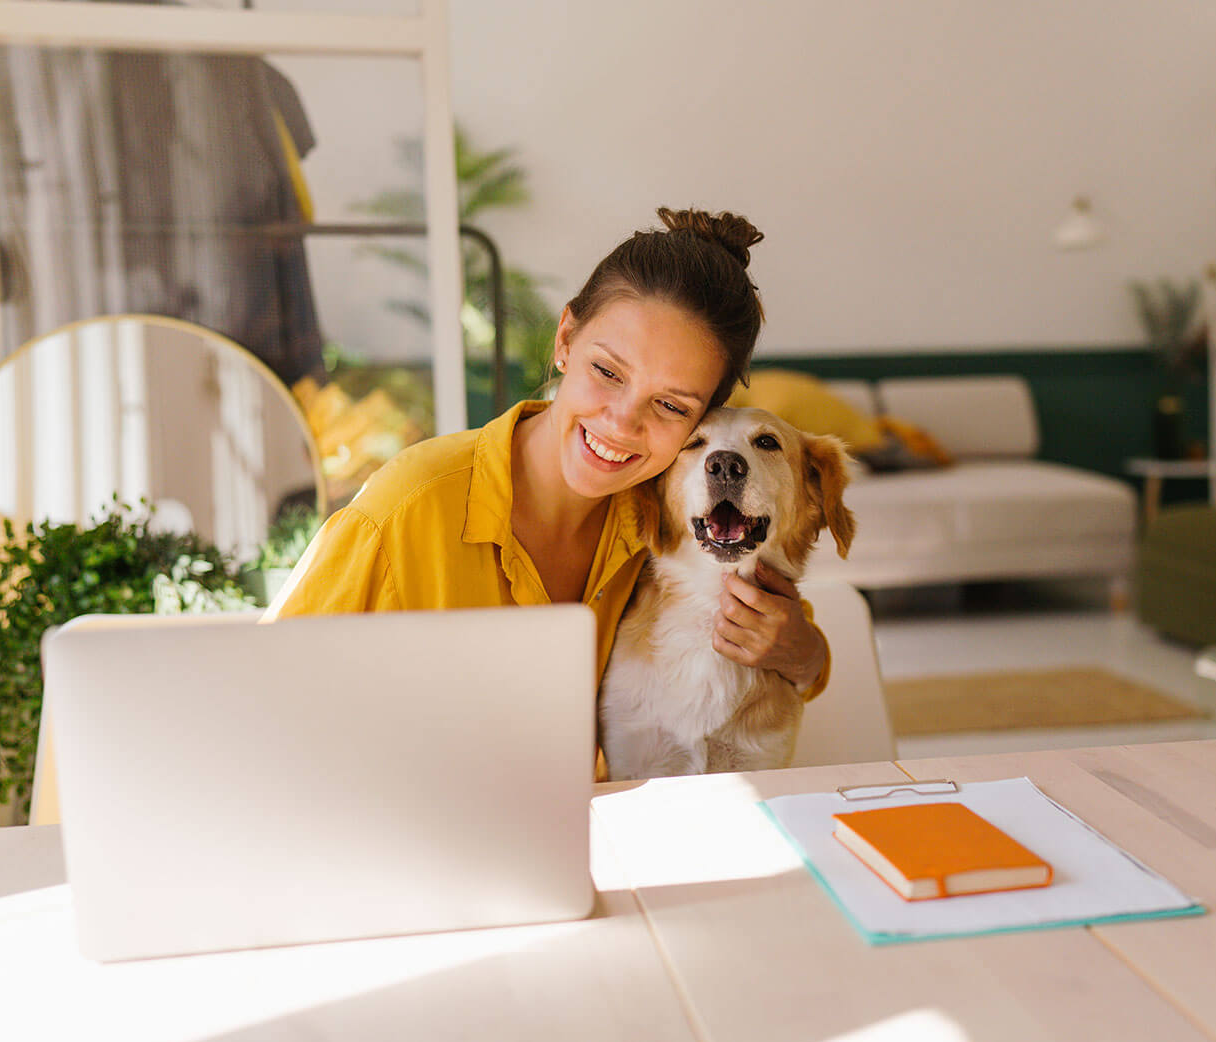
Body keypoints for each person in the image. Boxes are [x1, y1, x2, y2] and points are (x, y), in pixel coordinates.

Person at [266, 208, 830, 777]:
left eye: (671, 405)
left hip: (579, 836)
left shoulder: (665, 517)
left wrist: (803, 650)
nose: (621, 422)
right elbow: (262, 701)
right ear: (565, 340)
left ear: (704, 421)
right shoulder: (405, 510)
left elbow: (789, 643)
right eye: (608, 371)